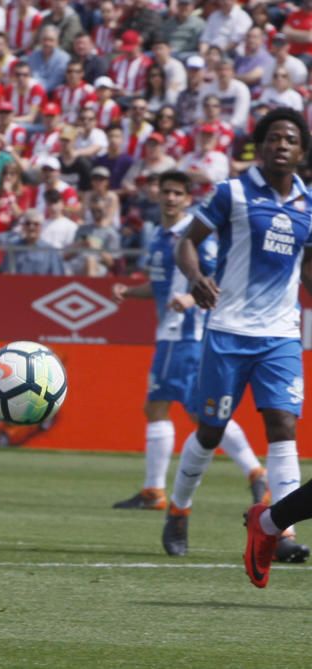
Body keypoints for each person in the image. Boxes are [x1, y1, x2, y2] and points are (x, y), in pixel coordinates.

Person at [167, 108, 312, 563]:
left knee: (283, 428)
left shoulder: (309, 205)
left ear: (301, 151)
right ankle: (178, 509)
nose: (281, 145)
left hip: (281, 335)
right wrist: (194, 278)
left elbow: (306, 268)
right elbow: (186, 241)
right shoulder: (232, 193)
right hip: (229, 330)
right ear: (260, 146)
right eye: (273, 138)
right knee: (210, 432)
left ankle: (280, 532)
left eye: (290, 139)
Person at [111, 170, 267, 511]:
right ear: (156, 194)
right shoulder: (158, 236)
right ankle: (253, 473)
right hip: (171, 334)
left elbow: (217, 277)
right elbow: (159, 286)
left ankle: (159, 490)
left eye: (177, 193)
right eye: (164, 191)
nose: (169, 197)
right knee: (194, 412)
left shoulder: (194, 236)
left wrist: (192, 298)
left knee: (174, 410)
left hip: (184, 334)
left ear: (187, 198)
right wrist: (129, 292)